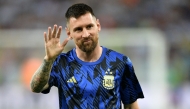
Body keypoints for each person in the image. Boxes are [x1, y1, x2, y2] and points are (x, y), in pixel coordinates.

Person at [30, 3, 144, 109]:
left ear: (98, 26)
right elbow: (36, 87)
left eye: (89, 27)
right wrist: (48, 60)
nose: (85, 34)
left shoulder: (120, 62)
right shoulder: (61, 63)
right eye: (78, 29)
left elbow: (131, 106)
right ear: (69, 33)